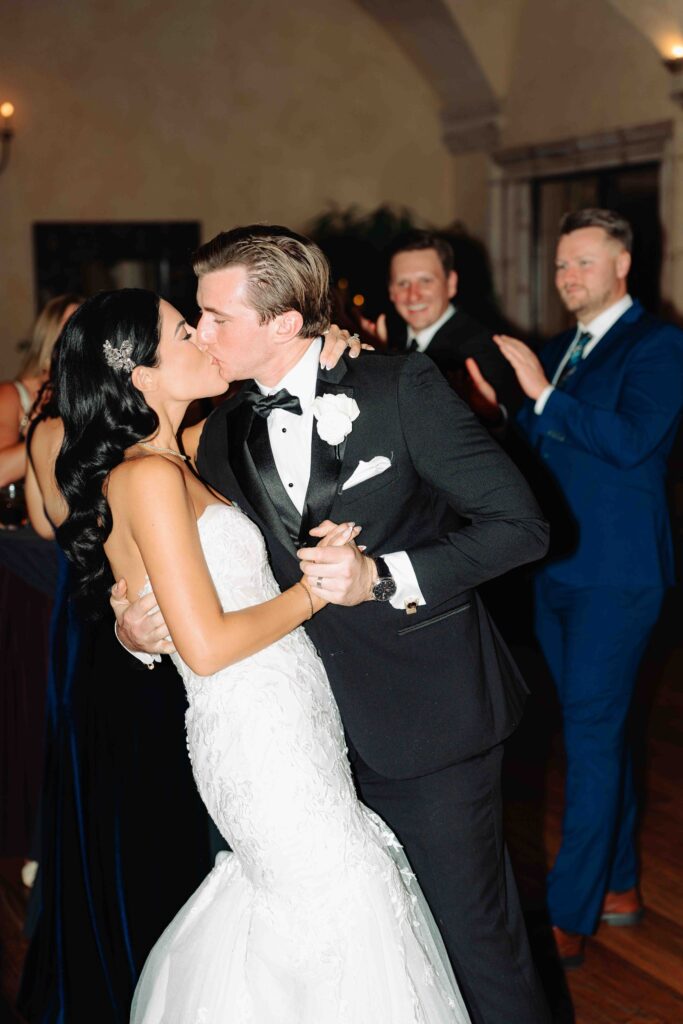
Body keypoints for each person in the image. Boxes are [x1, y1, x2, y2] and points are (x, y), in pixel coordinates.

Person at [118, 225, 552, 1024]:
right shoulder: (214, 432)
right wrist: (134, 631)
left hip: (427, 723)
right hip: (292, 742)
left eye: (216, 317)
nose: (201, 332)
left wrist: (383, 577)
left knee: (471, 945)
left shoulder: (400, 387)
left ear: (284, 322)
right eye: (197, 319)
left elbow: (520, 527)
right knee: (317, 956)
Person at [51, 287, 471, 1023]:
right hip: (256, 735)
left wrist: (328, 346)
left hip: (289, 717)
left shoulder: (185, 454)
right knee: (334, 907)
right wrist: (318, 590)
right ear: (141, 374)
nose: (206, 338)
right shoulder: (147, 477)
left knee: (314, 915)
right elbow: (206, 648)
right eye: (186, 331)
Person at [466, 207, 683, 968]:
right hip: (555, 573)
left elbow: (631, 443)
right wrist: (503, 416)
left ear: (622, 266)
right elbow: (542, 449)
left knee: (589, 742)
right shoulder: (559, 350)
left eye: (583, 263)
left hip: (617, 579)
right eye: (560, 264)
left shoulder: (660, 345)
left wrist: (540, 392)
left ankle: (567, 914)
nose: (567, 277)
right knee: (600, 731)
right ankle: (619, 884)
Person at [18, 355, 215, 1024]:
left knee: (93, 768)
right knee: (139, 797)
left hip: (90, 611)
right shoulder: (155, 464)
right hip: (129, 620)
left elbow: (49, 526)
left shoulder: (53, 432)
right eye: (185, 331)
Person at [362, 230, 522, 414]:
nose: (413, 295)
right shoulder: (388, 342)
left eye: (425, 281)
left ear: (451, 283)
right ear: (391, 290)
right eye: (403, 283)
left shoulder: (482, 349)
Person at [0, 294, 81, 487]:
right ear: (48, 334)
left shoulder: (85, 398)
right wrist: (50, 432)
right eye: (70, 323)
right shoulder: (13, 394)